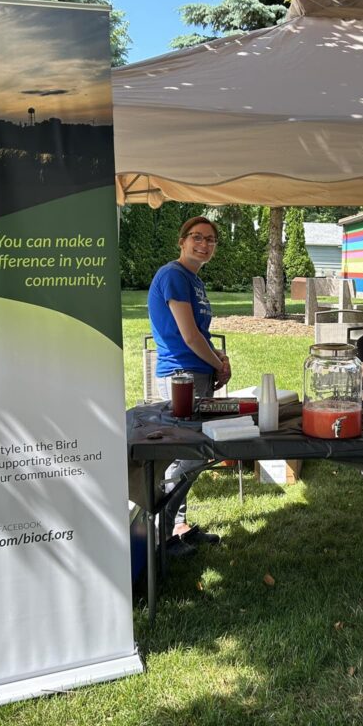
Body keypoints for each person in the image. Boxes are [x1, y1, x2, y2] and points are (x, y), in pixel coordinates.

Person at [148, 216, 231, 557]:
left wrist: (219, 358)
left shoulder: (193, 280)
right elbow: (189, 336)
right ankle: (160, 535)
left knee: (192, 453)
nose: (204, 244)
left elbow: (203, 335)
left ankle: (176, 526)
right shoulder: (174, 275)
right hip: (182, 375)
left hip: (198, 372)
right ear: (181, 241)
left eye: (210, 239)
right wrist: (218, 364)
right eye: (197, 237)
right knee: (191, 454)